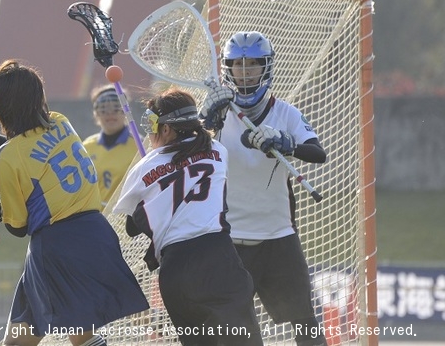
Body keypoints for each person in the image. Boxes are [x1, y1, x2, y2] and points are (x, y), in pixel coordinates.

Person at [0, 59, 149, 346]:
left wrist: (1, 212)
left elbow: (18, 227)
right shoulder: (59, 122)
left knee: (83, 338)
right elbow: (26, 154)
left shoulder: (7, 159)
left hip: (57, 247)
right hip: (96, 235)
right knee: (20, 340)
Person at [199, 31, 328, 346]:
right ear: (228, 69)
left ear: (266, 67)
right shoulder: (216, 116)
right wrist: (207, 123)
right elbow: (194, 155)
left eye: (253, 64)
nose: (245, 72)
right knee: (239, 335)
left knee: (307, 326)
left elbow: (317, 153)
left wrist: (286, 142)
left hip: (278, 239)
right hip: (230, 242)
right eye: (238, 65)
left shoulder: (285, 113)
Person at [113, 88, 263, 346]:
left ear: (168, 129)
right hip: (218, 259)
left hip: (176, 271)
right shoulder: (218, 151)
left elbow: (131, 226)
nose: (149, 132)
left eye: (151, 123)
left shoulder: (144, 167)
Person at [82, 85, 138, 208]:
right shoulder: (86, 147)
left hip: (124, 220)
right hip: (94, 217)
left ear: (126, 111)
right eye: (103, 109)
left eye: (116, 108)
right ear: (96, 113)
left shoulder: (139, 146)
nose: (110, 114)